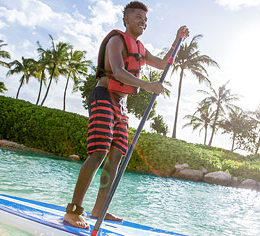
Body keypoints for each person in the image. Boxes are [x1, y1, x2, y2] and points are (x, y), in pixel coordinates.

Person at [63, 1, 189, 229]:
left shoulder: (140, 47)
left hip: (121, 106)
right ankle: (73, 211)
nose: (143, 21)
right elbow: (119, 72)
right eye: (139, 17)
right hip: (103, 96)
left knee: (116, 155)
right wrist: (148, 85)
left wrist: (176, 41)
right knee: (99, 152)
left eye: (146, 19)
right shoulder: (116, 41)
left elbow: (162, 64)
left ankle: (99, 209)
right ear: (126, 20)